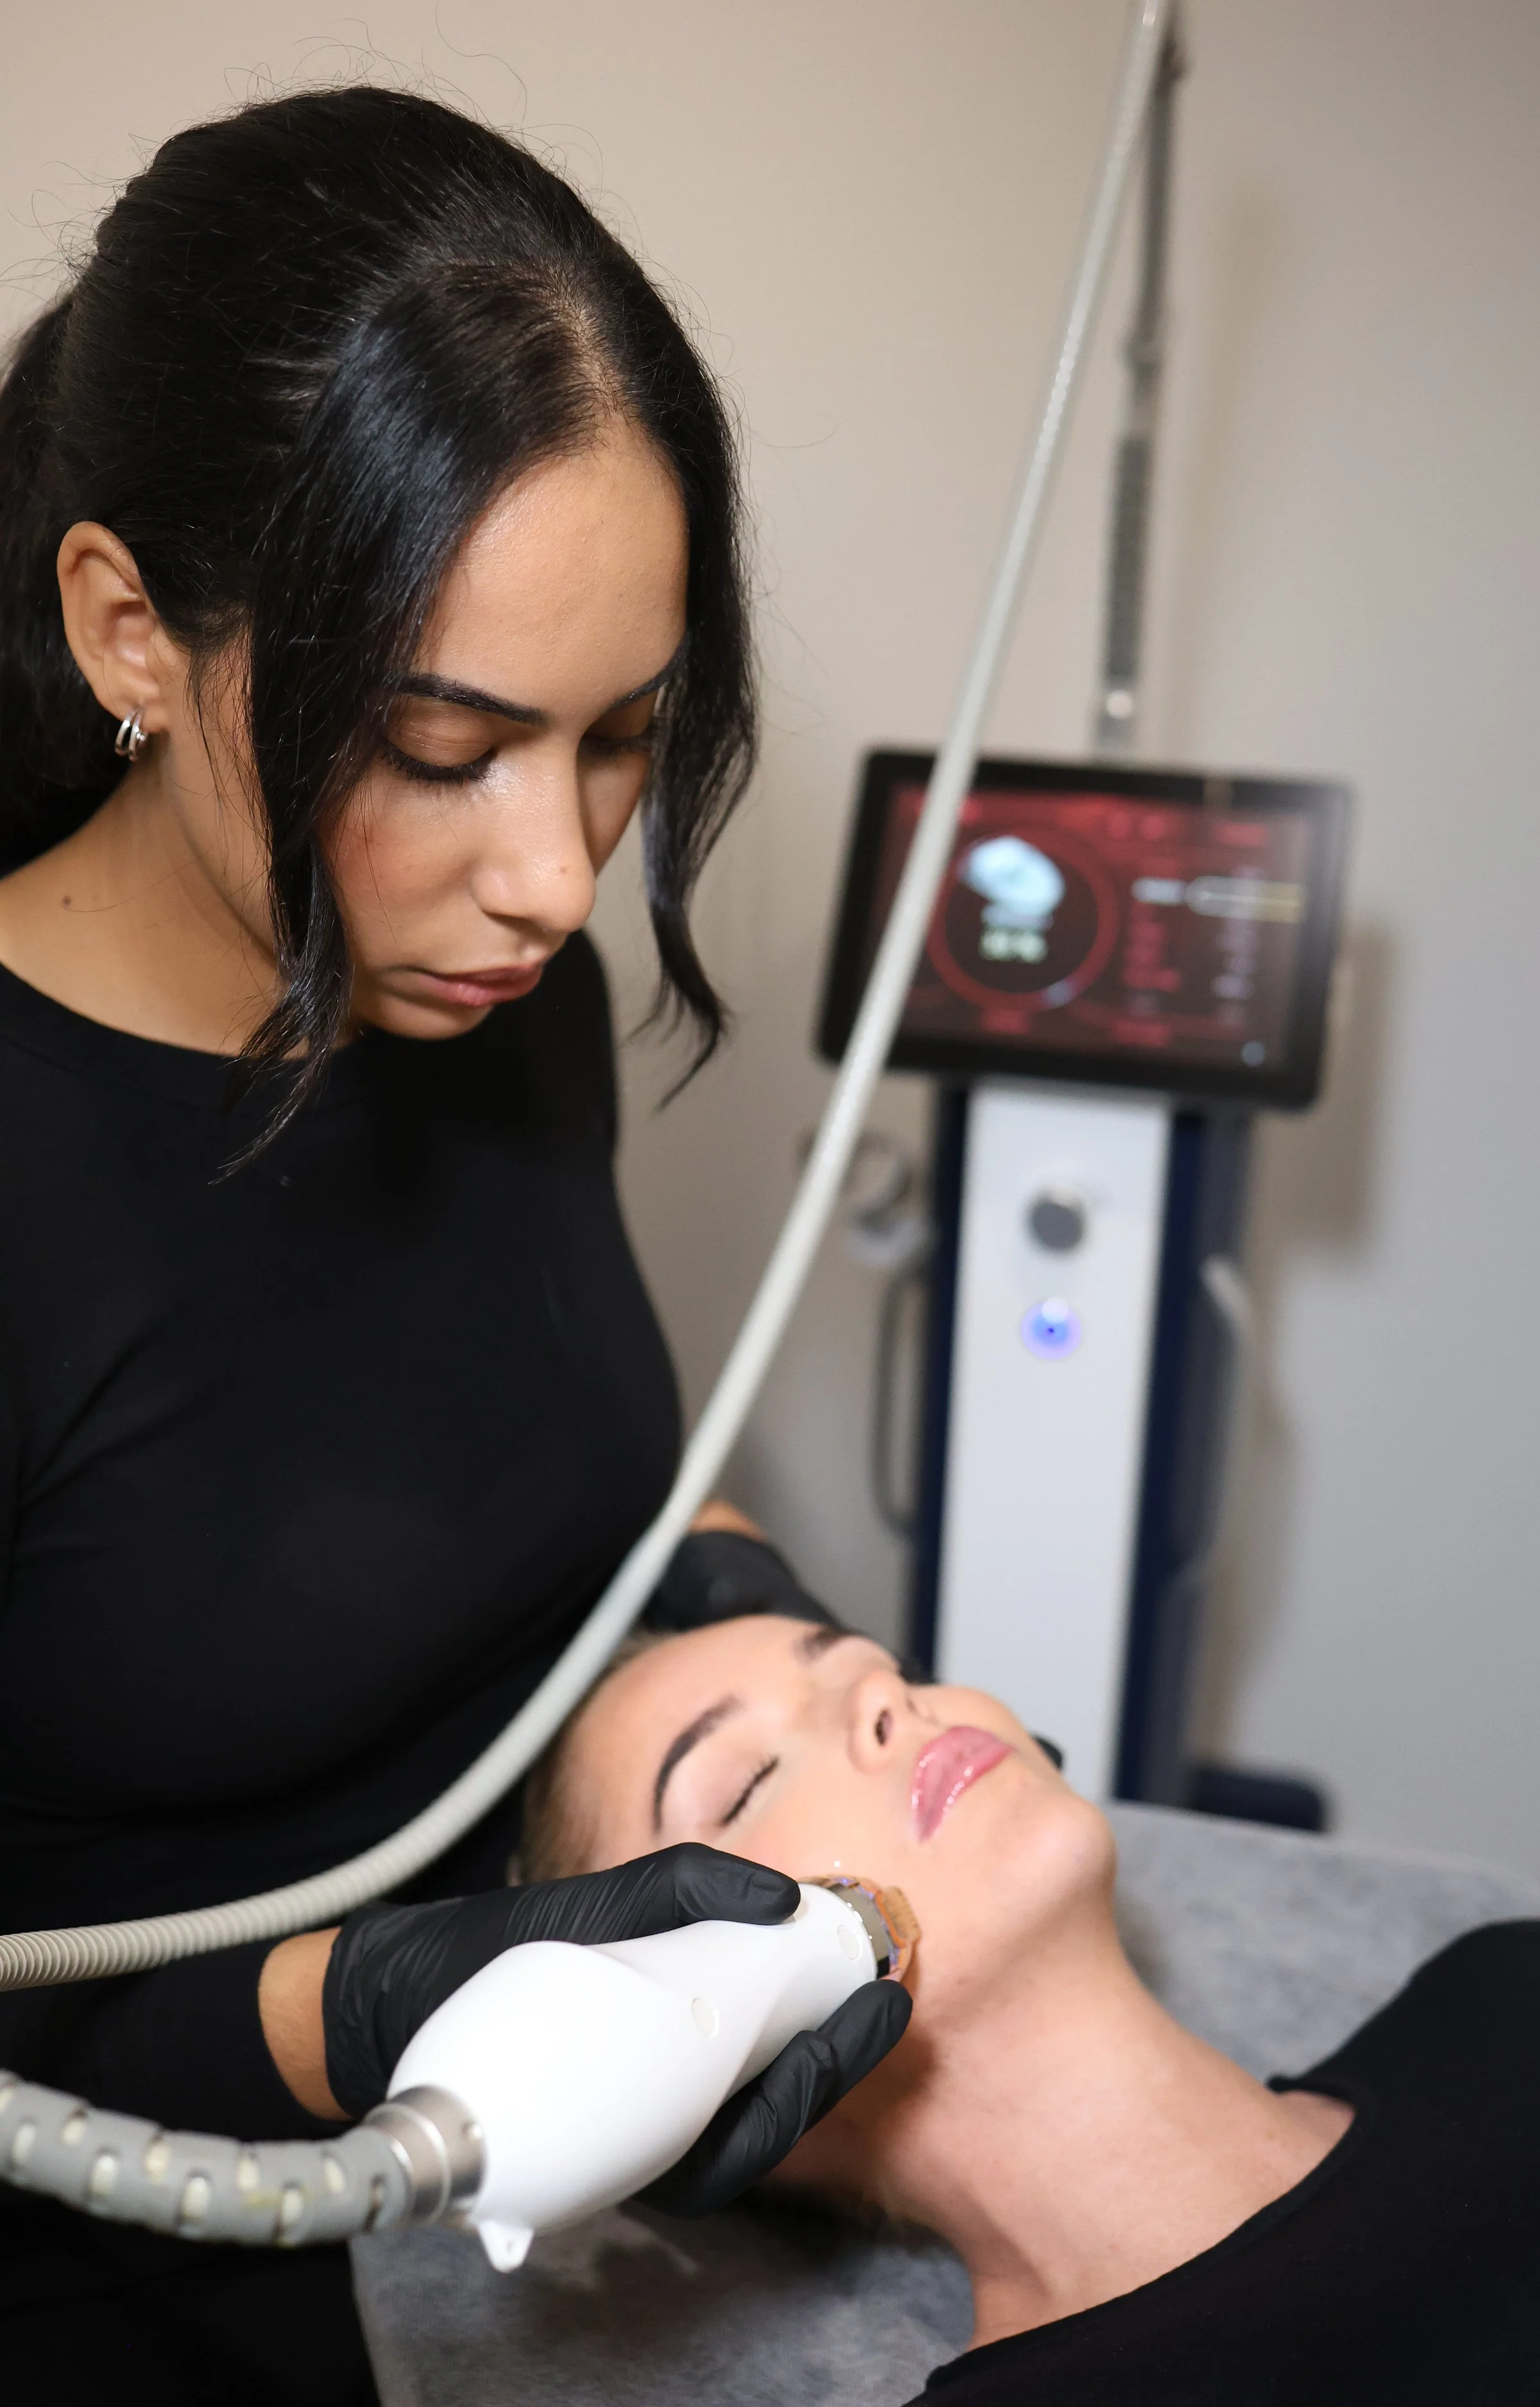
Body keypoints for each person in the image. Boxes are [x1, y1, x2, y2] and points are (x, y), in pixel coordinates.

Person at [0, 89, 907, 2406]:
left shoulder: (508, 1018)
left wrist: (740, 1616)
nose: (558, 876)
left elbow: (543, 1457)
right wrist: (377, 2006)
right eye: (441, 744)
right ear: (125, 626)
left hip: (487, 2204)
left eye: (623, 740)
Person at [520, 1613, 1540, 2406]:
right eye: (747, 1775)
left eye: (884, 1665)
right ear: (713, 2084)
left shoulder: (1525, 2004)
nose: (882, 1699)